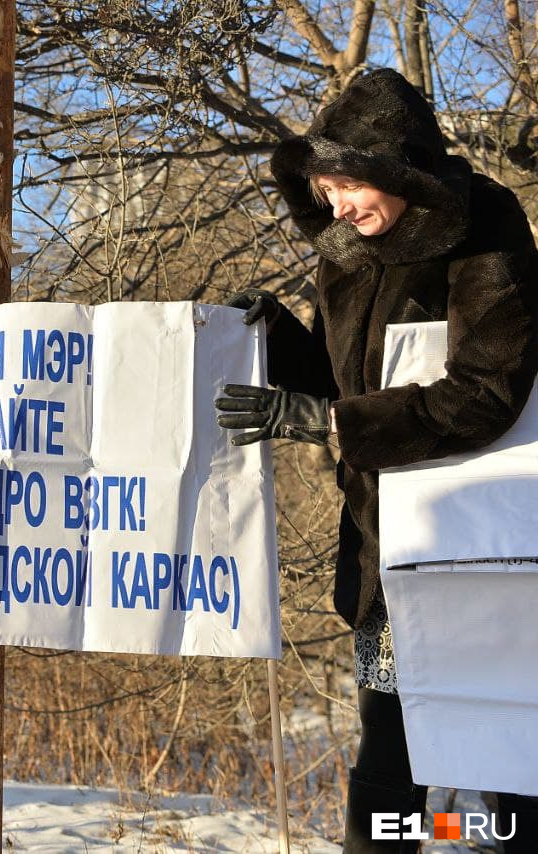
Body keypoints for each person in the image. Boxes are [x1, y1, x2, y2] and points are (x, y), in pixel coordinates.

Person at [214, 69, 538, 851]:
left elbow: (487, 394)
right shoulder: (345, 254)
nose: (339, 208)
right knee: (388, 762)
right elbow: (346, 388)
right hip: (383, 558)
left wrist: (327, 422)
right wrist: (279, 338)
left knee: (503, 768)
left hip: (480, 555)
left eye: (351, 186)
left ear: (398, 167)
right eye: (326, 191)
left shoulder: (485, 227)